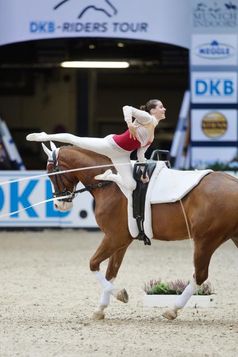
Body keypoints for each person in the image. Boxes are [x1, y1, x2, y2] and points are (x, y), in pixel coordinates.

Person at [26, 99, 166, 191]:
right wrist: (130, 124)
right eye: (161, 107)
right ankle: (45, 136)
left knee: (132, 185)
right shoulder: (147, 118)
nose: (164, 109)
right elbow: (127, 108)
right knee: (76, 140)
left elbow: (141, 155)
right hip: (111, 145)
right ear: (152, 110)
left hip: (122, 155)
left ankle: (110, 176)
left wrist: (143, 173)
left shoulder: (151, 136)